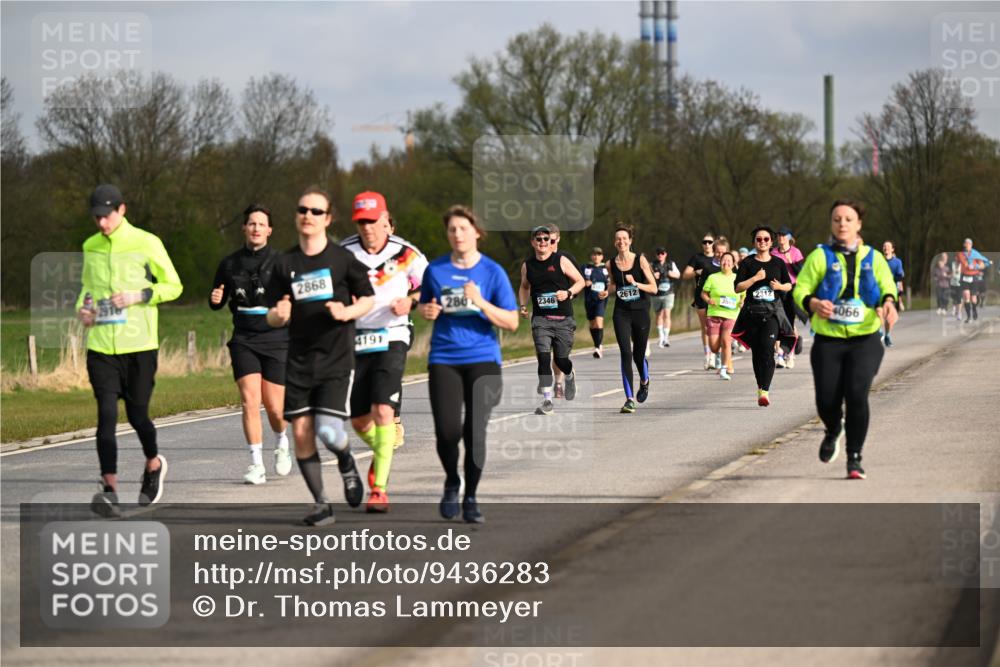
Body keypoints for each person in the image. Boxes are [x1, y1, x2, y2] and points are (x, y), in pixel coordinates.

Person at [267, 186, 375, 526]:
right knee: (301, 431)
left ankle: (345, 459)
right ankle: (321, 503)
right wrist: (279, 314)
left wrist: (346, 313)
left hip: (336, 359)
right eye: (303, 210)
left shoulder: (342, 259)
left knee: (328, 432)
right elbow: (270, 314)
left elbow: (368, 299)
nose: (307, 216)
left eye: (315, 211)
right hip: (298, 361)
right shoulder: (284, 263)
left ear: (327, 218)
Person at [78, 184, 183, 517]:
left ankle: (153, 464)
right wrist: (84, 308)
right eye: (96, 217)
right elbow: (87, 291)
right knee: (106, 416)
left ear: (121, 210)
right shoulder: (90, 246)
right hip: (101, 347)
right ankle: (109, 489)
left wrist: (140, 295)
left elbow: (174, 285)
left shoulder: (146, 242)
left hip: (139, 346)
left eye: (106, 216)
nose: (101, 224)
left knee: (138, 416)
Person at [418, 205, 518, 523]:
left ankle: (471, 497)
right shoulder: (435, 270)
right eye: (452, 230)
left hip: (483, 359)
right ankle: (452, 481)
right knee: (447, 431)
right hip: (444, 357)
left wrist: (480, 302)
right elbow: (426, 306)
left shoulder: (492, 272)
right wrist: (427, 312)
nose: (457, 234)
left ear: (476, 232)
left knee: (475, 430)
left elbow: (512, 322)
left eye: (463, 228)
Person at [793, 199, 898, 479]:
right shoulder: (820, 256)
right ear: (831, 223)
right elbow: (800, 288)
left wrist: (888, 303)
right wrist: (813, 303)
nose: (842, 224)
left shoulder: (873, 258)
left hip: (865, 339)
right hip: (828, 339)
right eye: (837, 219)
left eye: (848, 219)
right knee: (827, 400)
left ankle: (854, 457)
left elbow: (888, 287)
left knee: (856, 394)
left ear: (859, 224)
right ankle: (832, 428)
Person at [341, 191, 428, 512]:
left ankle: (379, 488)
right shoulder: (343, 252)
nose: (367, 228)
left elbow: (429, 285)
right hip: (354, 338)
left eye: (373, 221)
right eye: (361, 222)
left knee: (382, 411)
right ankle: (384, 447)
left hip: (393, 335)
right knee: (360, 420)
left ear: (385, 220)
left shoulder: (407, 254)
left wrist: (412, 301)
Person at [209, 204, 290, 485]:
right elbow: (217, 298)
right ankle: (256, 464)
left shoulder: (282, 262)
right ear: (244, 228)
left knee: (276, 408)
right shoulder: (229, 264)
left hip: (277, 340)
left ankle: (281, 441)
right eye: (251, 223)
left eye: (261, 224)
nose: (256, 228)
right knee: (249, 401)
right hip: (244, 339)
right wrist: (215, 299)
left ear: (269, 230)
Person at [519, 226, 585, 416]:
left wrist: (569, 292)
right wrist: (523, 306)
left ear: (551, 241)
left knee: (561, 360)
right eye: (538, 239)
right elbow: (524, 287)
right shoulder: (528, 265)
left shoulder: (560, 261)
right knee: (543, 358)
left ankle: (570, 375)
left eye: (546, 239)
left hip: (563, 319)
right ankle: (547, 400)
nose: (542, 242)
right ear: (533, 242)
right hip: (541, 320)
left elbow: (580, 281)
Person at [732, 227, 793, 407]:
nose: (763, 242)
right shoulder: (747, 263)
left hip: (772, 312)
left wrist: (780, 287)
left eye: (766, 239)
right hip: (752, 312)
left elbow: (789, 284)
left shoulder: (778, 263)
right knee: (757, 353)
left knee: (767, 349)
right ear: (754, 242)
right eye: (759, 239)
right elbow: (737, 287)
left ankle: (765, 391)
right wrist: (755, 279)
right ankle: (761, 386)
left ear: (771, 242)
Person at [605, 223, 658, 413]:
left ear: (630, 241)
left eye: (624, 239)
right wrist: (606, 292)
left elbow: (653, 288)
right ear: (615, 242)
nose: (621, 242)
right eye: (618, 239)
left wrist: (636, 284)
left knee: (638, 354)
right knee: (626, 353)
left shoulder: (640, 260)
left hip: (641, 311)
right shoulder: (610, 264)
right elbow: (613, 285)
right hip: (621, 313)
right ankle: (628, 399)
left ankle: (644, 381)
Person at [546, 223, 579, 398]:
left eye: (550, 240)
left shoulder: (566, 258)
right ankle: (557, 384)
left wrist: (569, 294)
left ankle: (565, 376)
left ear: (558, 238)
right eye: (543, 239)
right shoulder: (538, 259)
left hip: (564, 312)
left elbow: (578, 282)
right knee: (547, 350)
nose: (547, 243)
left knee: (560, 354)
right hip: (544, 313)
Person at [683, 234, 721, 370]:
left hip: (717, 295)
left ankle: (717, 355)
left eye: (709, 242)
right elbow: (685, 274)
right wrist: (696, 272)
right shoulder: (697, 258)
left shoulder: (720, 258)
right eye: (704, 242)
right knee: (706, 326)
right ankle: (708, 355)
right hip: (701, 294)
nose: (707, 244)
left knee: (718, 325)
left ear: (714, 244)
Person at [701, 251, 740, 380]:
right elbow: (704, 293)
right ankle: (718, 356)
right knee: (714, 346)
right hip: (714, 314)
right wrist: (708, 300)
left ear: (734, 264)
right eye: (724, 260)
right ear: (720, 263)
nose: (726, 262)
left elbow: (744, 294)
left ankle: (724, 368)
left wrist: (742, 302)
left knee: (726, 341)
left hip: (731, 314)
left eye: (729, 260)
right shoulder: (713, 277)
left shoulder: (738, 278)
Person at [772, 227, 806, 368]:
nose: (781, 238)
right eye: (779, 235)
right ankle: (779, 354)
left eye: (783, 235)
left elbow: (802, 273)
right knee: (776, 324)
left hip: (792, 290)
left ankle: (789, 354)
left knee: (789, 323)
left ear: (789, 237)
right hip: (777, 290)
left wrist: (791, 262)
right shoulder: (773, 252)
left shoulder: (795, 252)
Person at [650, 247, 681, 347]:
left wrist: (671, 273)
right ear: (656, 255)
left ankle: (666, 338)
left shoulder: (671, 264)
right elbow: (646, 277)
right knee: (658, 315)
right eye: (658, 253)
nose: (660, 255)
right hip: (656, 294)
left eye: (662, 253)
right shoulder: (652, 265)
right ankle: (661, 337)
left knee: (667, 314)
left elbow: (678, 275)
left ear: (666, 254)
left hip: (669, 292)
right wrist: (653, 276)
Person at [582, 247, 610, 358]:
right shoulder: (586, 268)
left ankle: (598, 347)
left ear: (602, 256)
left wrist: (607, 291)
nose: (596, 257)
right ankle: (597, 344)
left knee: (599, 322)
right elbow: (578, 280)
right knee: (592, 324)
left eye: (598, 255)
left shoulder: (606, 268)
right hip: (589, 299)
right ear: (591, 256)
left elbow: (611, 283)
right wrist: (584, 282)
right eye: (594, 255)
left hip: (601, 300)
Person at [957, 238, 990, 321]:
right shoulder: (960, 254)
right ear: (964, 245)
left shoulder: (975, 254)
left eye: (969, 244)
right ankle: (968, 317)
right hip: (964, 277)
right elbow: (963, 263)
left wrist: (976, 266)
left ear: (971, 245)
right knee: (966, 296)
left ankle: (974, 310)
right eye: (966, 243)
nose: (967, 245)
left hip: (974, 277)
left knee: (973, 298)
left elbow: (983, 264)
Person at [880, 240, 905, 347]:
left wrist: (900, 298)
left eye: (888, 246)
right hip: (879, 290)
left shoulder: (897, 262)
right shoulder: (879, 260)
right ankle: (878, 332)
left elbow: (899, 277)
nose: (886, 248)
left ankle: (887, 335)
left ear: (892, 249)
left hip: (892, 291)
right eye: (884, 246)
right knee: (880, 313)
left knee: (890, 317)